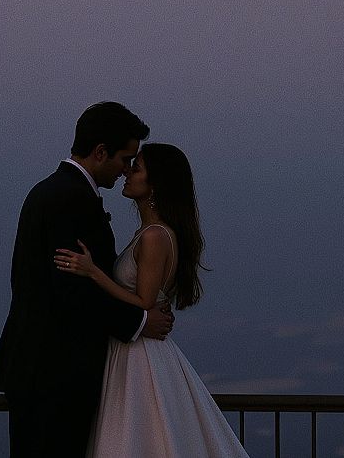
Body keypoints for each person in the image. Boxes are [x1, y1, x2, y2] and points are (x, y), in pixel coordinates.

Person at [0, 102, 174, 458]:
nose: (125, 170)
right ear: (100, 152)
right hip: (54, 375)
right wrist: (140, 322)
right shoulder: (69, 199)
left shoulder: (56, 192)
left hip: (44, 373)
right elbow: (72, 293)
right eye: (124, 159)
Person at [55, 142, 250, 458]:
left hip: (139, 355)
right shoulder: (149, 233)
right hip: (135, 349)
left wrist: (93, 272)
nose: (128, 172)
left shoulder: (154, 236)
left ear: (156, 184)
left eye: (138, 168)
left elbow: (144, 301)